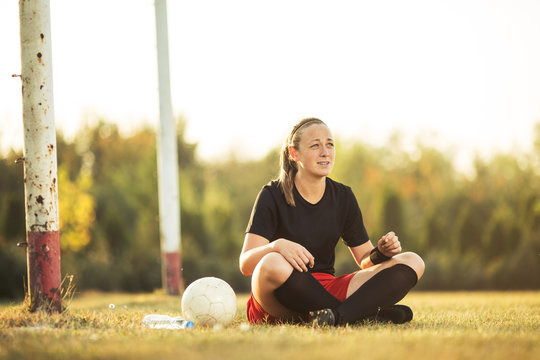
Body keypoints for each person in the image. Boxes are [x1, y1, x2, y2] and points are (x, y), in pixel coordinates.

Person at [239, 117, 425, 326]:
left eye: (329, 145)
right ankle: (362, 314)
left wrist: (381, 253)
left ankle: (336, 316)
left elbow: (365, 260)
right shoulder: (272, 194)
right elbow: (246, 264)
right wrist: (277, 246)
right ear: (294, 153)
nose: (325, 152)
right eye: (315, 146)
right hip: (277, 295)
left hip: (327, 287)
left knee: (413, 261)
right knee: (272, 262)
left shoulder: (343, 196)